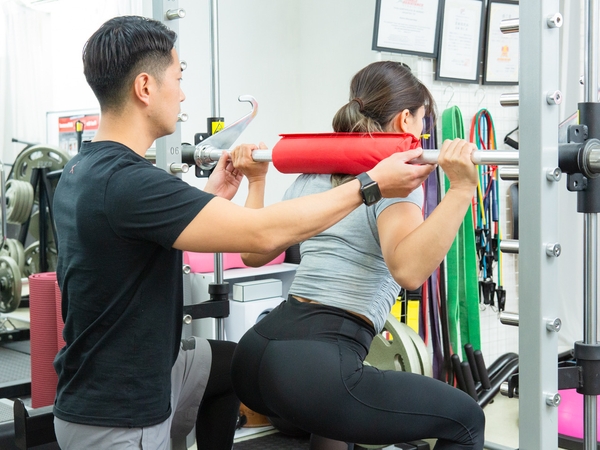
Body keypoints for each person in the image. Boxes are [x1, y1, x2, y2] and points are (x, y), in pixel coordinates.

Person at [51, 16, 436, 450]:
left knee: (228, 368)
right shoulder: (130, 183)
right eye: (178, 79)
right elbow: (260, 237)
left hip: (123, 373)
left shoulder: (84, 169)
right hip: (118, 412)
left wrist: (216, 194)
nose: (182, 94)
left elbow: (150, 229)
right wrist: (371, 184)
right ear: (145, 87)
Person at [230, 61, 486, 450]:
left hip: (256, 355)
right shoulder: (394, 180)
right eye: (422, 121)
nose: (423, 132)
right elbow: (409, 271)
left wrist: (257, 181)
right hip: (315, 365)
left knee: (333, 414)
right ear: (404, 120)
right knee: (466, 420)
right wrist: (462, 189)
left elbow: (252, 252)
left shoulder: (313, 175)